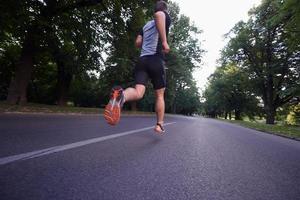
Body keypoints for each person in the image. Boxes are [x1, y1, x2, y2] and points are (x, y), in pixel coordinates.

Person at [104, 0, 171, 134]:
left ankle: (121, 96)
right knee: (159, 95)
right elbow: (159, 15)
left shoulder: (145, 26)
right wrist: (164, 41)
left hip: (142, 61)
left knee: (138, 92)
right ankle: (159, 124)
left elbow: (138, 42)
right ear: (164, 10)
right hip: (155, 59)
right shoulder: (163, 15)